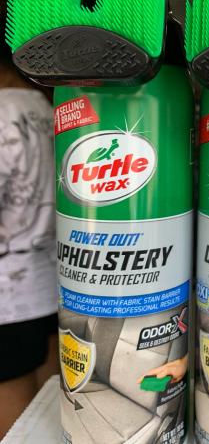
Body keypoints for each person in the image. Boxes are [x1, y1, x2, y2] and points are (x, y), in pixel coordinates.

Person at [0, 73, 58, 438]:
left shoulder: (2, 112)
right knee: (49, 400)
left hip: (7, 294)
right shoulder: (44, 107)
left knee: (12, 409)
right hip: (48, 282)